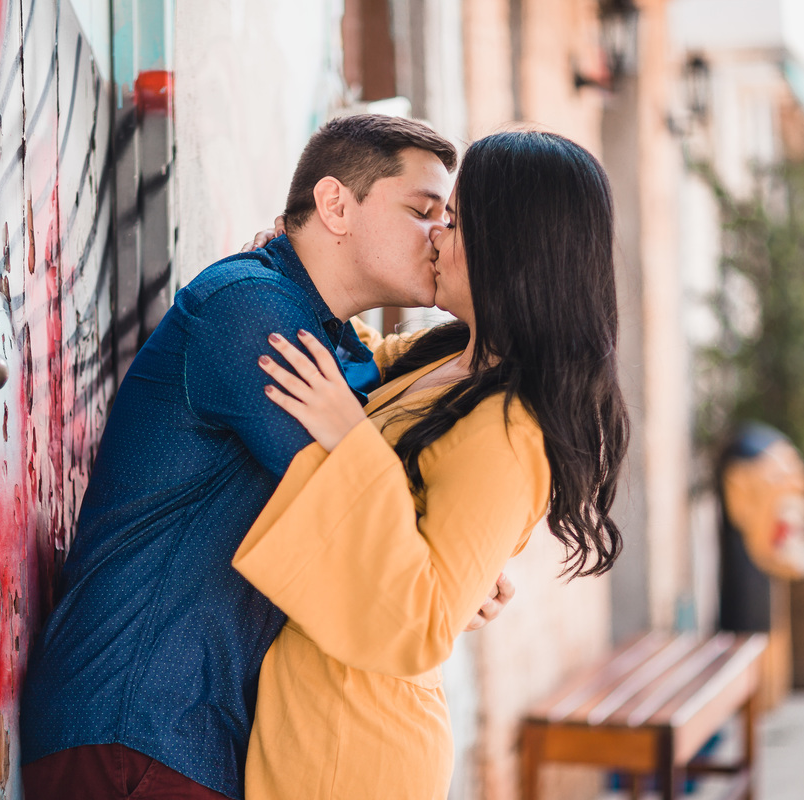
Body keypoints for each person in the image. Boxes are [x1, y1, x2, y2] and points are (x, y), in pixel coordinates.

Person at [19, 114, 512, 800]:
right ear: (336, 205)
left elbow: (379, 494)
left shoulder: (333, 342)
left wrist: (453, 561)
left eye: (444, 216)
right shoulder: (250, 314)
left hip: (192, 736)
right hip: (134, 718)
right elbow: (364, 515)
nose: (439, 235)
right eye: (422, 210)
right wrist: (444, 569)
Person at [231, 130, 630, 798]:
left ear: (514, 248)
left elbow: (425, 621)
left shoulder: (513, 429)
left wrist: (349, 437)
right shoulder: (442, 358)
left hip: (354, 747)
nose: (438, 236)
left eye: (457, 220)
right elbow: (340, 348)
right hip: (312, 711)